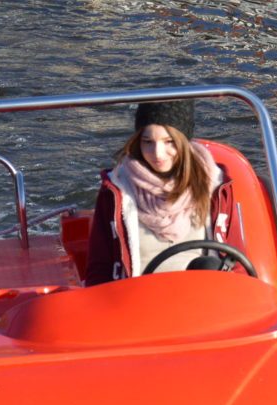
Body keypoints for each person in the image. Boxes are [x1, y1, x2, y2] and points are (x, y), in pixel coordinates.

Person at [84, 100, 236, 286]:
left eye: (169, 142)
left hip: (203, 301)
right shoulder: (116, 191)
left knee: (209, 265)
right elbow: (99, 269)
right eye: (147, 141)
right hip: (139, 304)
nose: (158, 153)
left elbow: (235, 261)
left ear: (183, 140)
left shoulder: (215, 186)